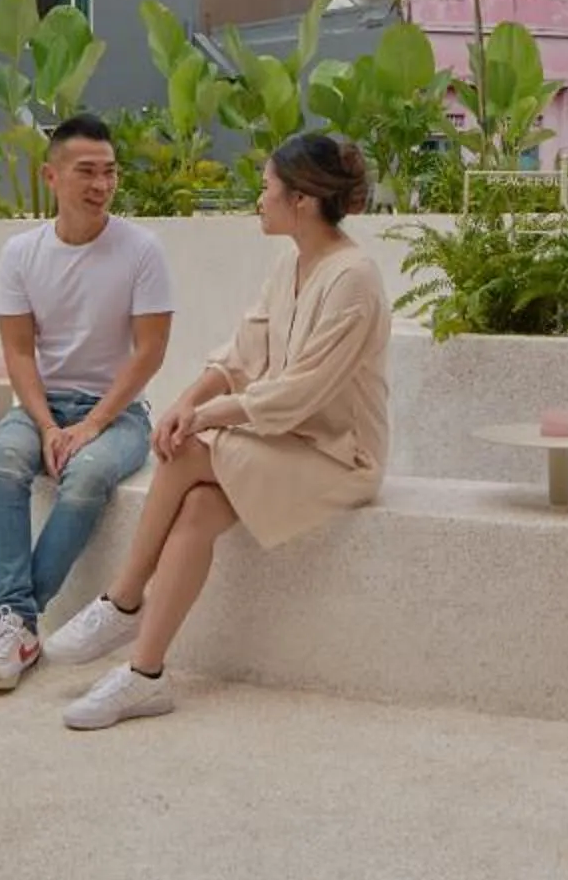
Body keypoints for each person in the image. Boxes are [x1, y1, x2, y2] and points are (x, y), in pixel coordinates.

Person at [41, 131, 392, 731]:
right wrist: (189, 398)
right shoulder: (292, 263)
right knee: (200, 506)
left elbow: (298, 393)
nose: (259, 198)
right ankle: (144, 675)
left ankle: (123, 599)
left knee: (189, 451)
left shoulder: (353, 278)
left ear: (302, 200)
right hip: (287, 440)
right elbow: (241, 352)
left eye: (267, 188)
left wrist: (200, 417)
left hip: (340, 455)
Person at [0, 113, 173, 694]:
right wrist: (45, 425)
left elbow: (150, 352)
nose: (101, 185)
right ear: (52, 176)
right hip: (43, 405)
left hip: (118, 412)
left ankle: (10, 617)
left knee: (88, 474)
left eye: (110, 172)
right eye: (86, 172)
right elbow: (19, 353)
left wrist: (93, 424)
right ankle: (17, 618)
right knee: (5, 459)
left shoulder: (141, 250)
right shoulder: (20, 253)